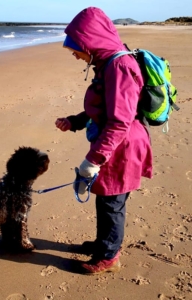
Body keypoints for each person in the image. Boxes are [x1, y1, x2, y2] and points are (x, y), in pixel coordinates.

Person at [55, 7, 152, 274]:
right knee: (105, 198)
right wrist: (74, 121)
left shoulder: (119, 65)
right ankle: (103, 244)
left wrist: (93, 160)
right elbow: (104, 107)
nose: (75, 55)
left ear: (90, 42)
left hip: (122, 146)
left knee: (112, 203)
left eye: (76, 49)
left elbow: (120, 120)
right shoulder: (106, 62)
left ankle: (109, 257)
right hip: (114, 144)